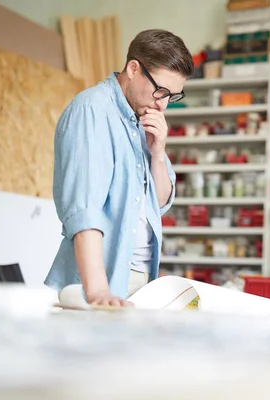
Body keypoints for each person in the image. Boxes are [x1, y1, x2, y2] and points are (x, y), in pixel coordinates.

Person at [44, 29, 194, 307]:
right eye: (160, 91)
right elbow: (83, 211)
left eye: (172, 96)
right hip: (99, 284)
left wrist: (158, 152)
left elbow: (159, 203)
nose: (162, 104)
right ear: (133, 68)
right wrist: (98, 292)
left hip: (138, 279)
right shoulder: (92, 110)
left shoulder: (143, 118)